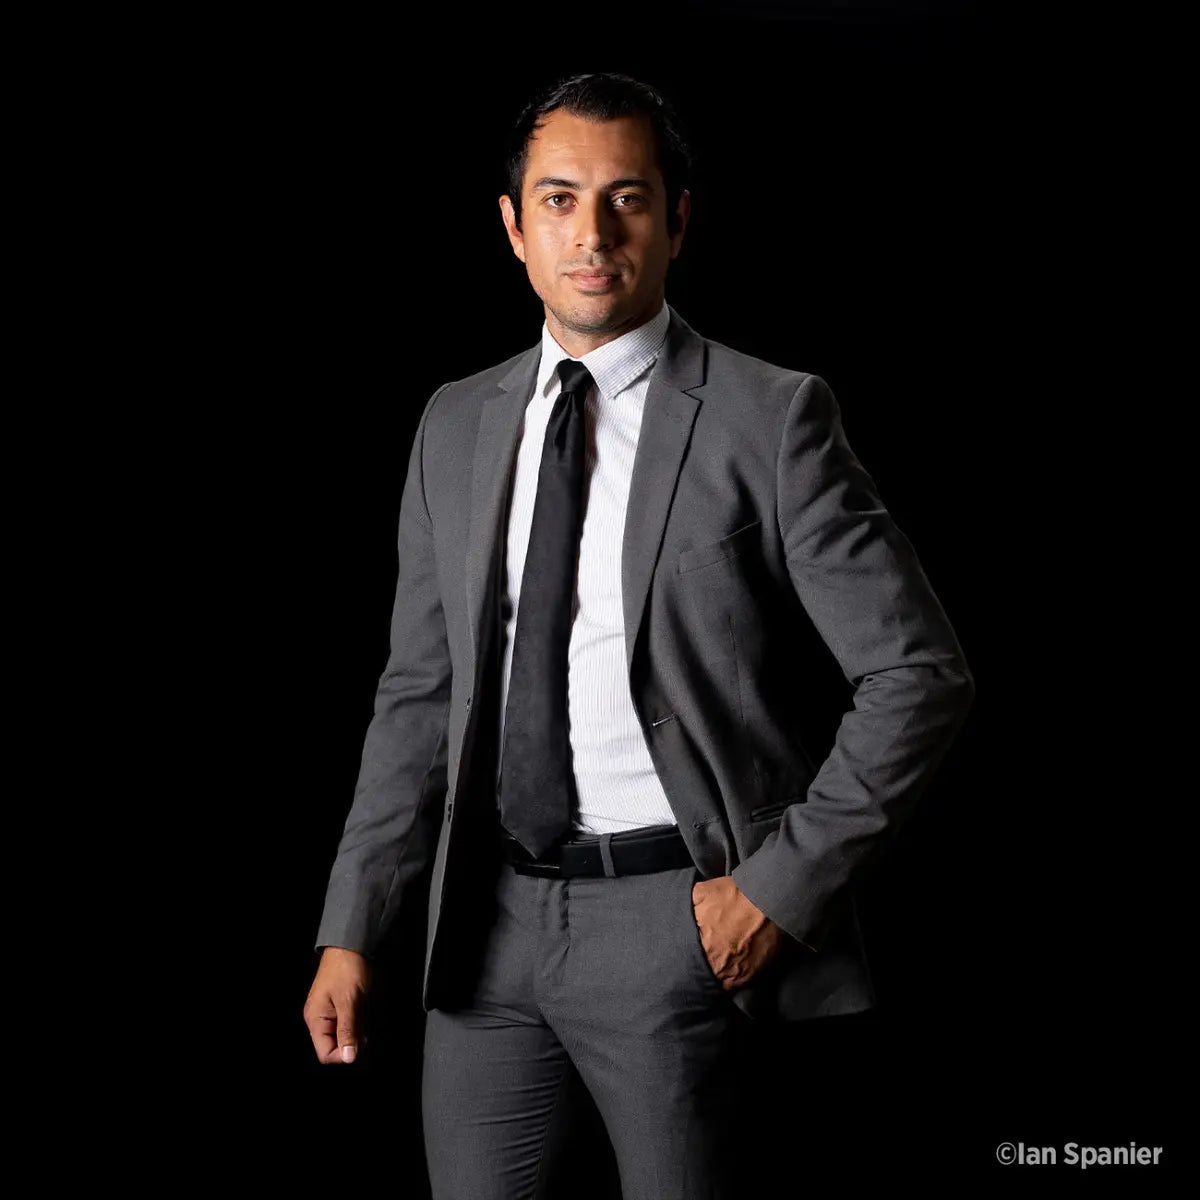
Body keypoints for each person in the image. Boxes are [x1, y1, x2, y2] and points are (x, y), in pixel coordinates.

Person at [303, 71, 974, 1198]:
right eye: (560, 200)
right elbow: (419, 693)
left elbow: (918, 674)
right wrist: (353, 925)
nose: (594, 232)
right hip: (480, 940)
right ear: (515, 226)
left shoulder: (772, 419)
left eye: (628, 198)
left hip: (675, 929)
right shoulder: (456, 422)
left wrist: (776, 890)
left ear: (677, 221)